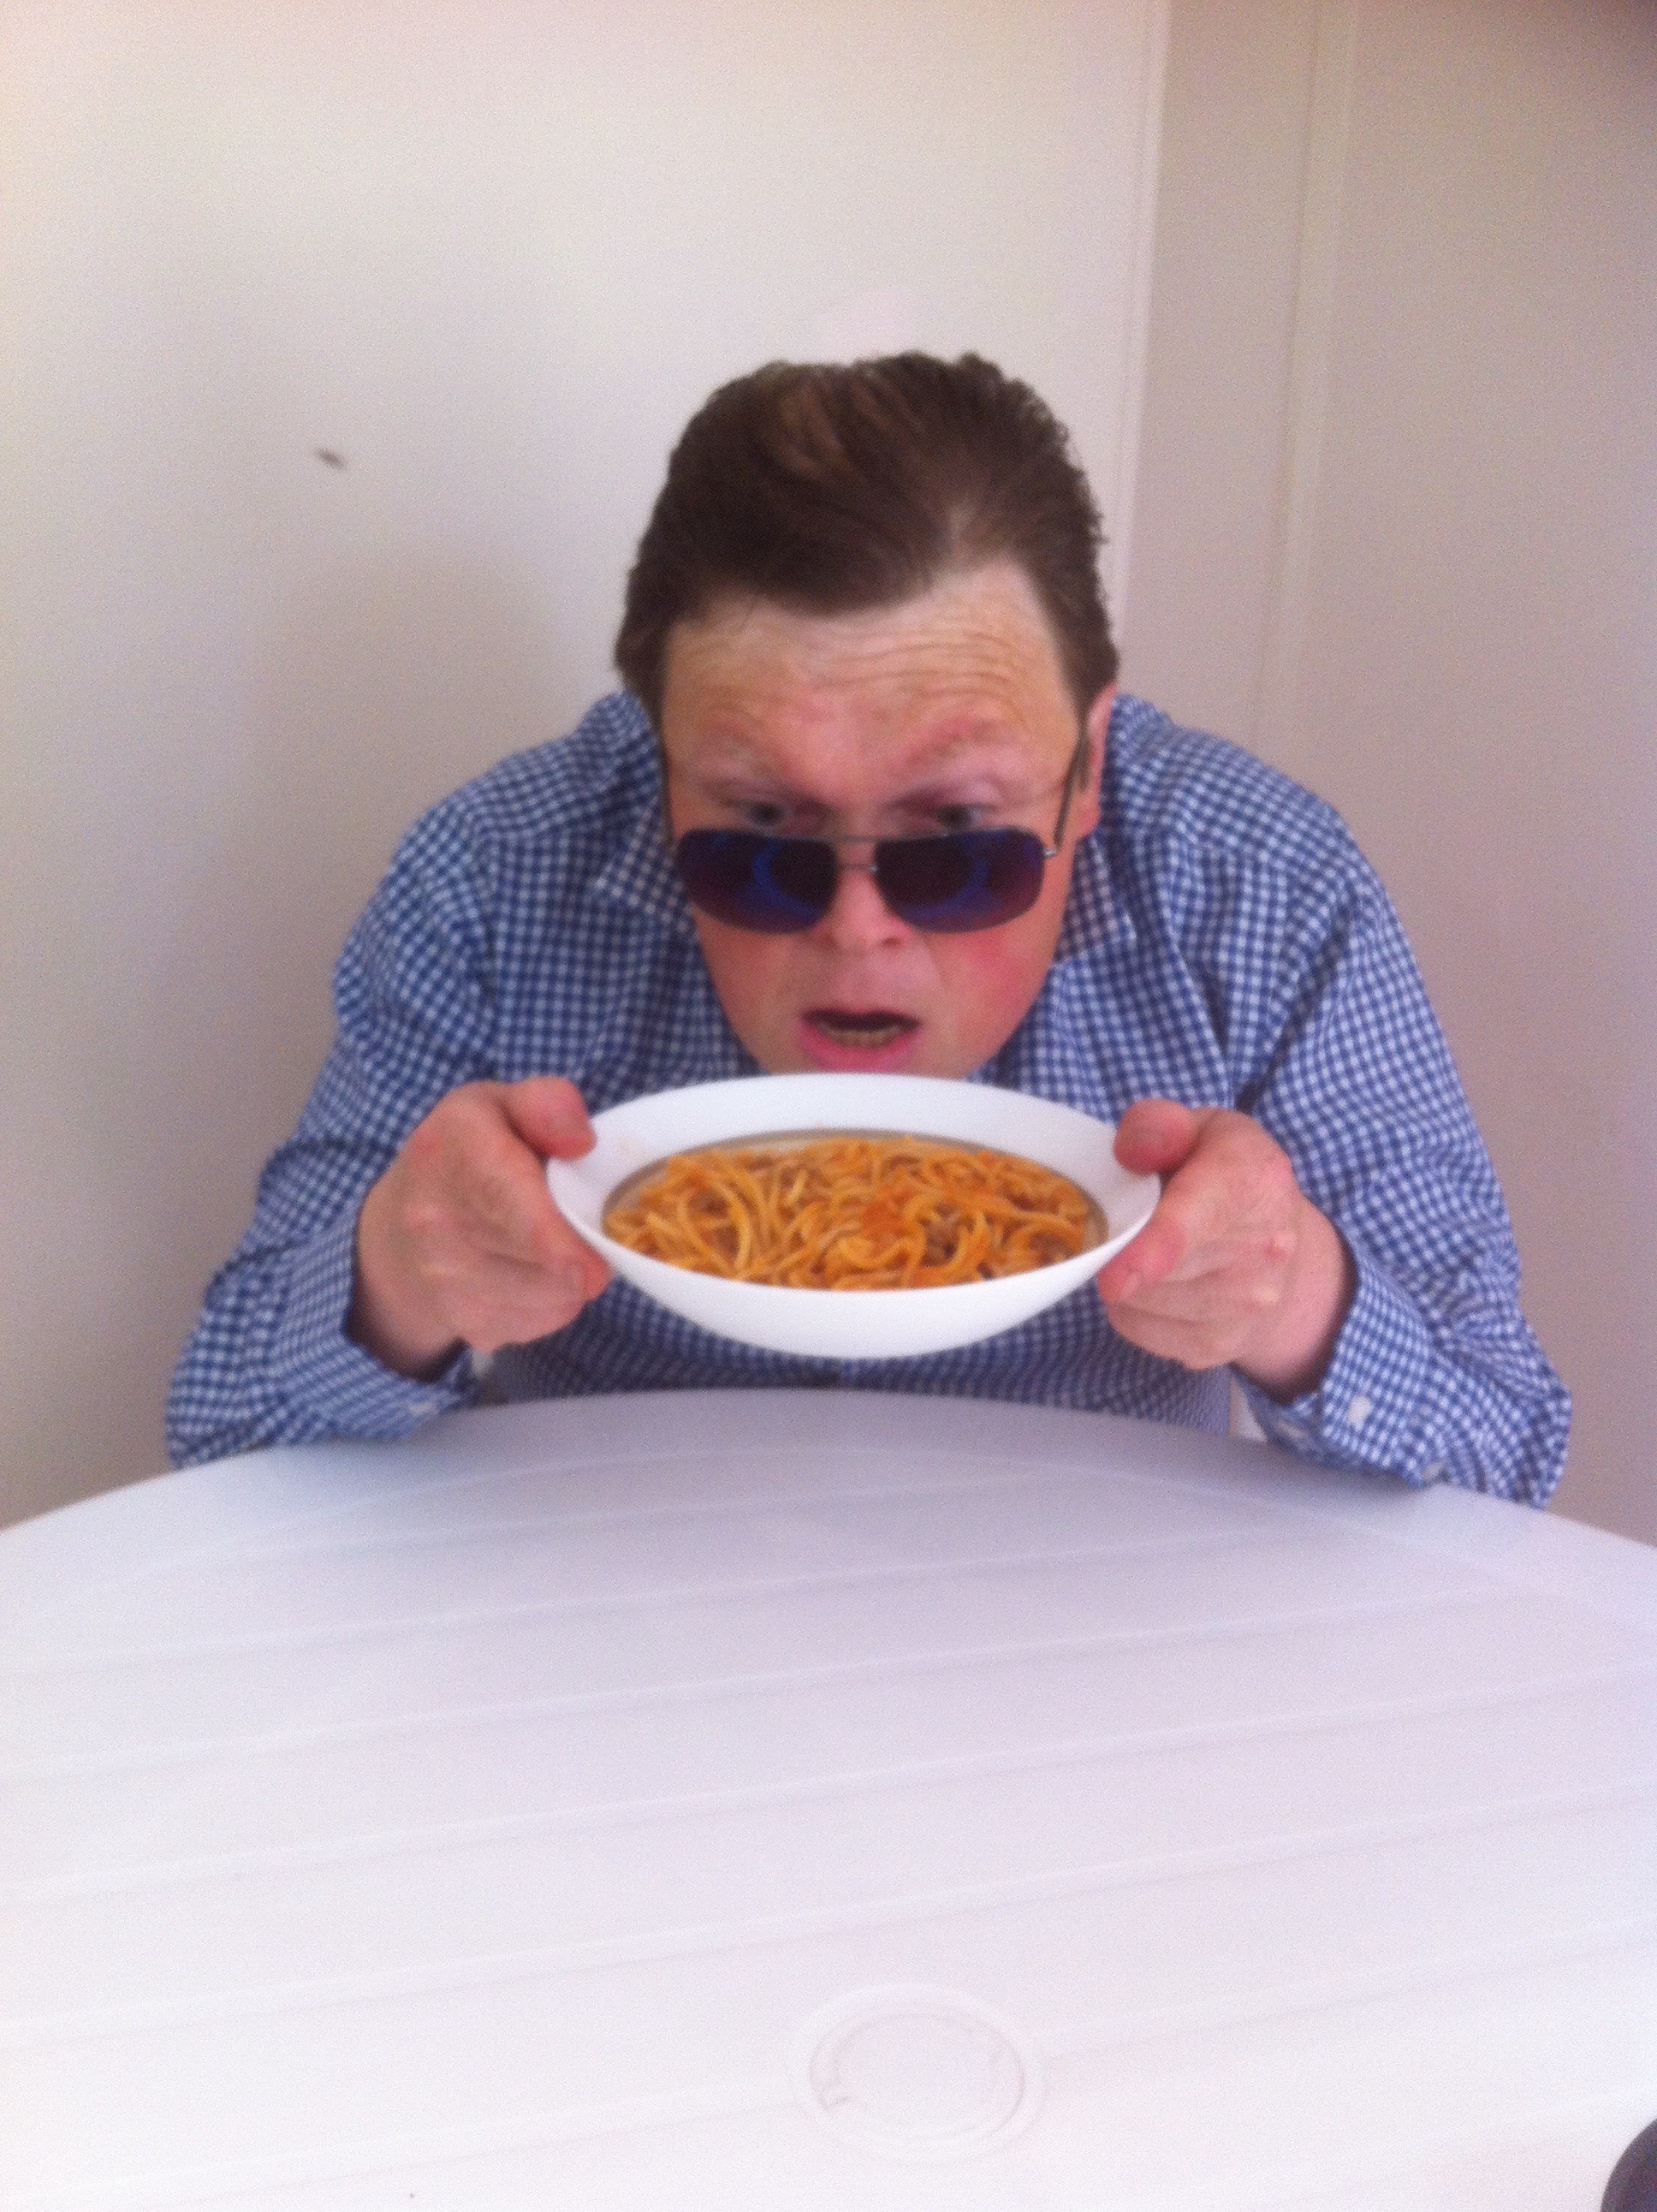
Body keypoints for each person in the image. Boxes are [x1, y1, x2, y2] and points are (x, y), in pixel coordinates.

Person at [167, 353, 1570, 1502]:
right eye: (759, 835)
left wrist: (1295, 1295)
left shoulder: (1258, 884)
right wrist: (394, 1281)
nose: (858, 934)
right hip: (612, 1619)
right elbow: (221, 1425)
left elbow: (1505, 1442)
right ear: (659, 762)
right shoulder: (496, 874)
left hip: (1098, 1625)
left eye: (956, 843)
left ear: (1088, 766)